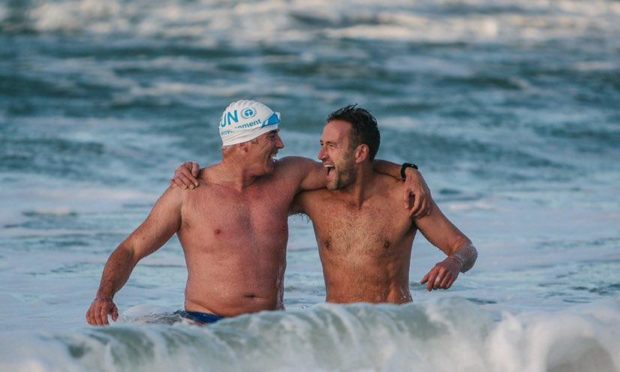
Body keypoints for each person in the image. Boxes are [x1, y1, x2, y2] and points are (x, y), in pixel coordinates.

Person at [86, 100, 429, 326]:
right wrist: (105, 295)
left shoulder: (289, 174)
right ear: (244, 145)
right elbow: (131, 249)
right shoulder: (188, 193)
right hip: (207, 326)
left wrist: (406, 171)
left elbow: (350, 168)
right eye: (272, 137)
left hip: (272, 327)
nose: (281, 145)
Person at [175, 105, 477, 305]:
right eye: (321, 145)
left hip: (393, 327)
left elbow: (464, 246)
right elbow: (243, 195)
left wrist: (453, 262)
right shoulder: (314, 198)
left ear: (360, 154)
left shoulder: (404, 197)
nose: (320, 156)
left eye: (330, 146)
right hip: (335, 329)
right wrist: (197, 175)